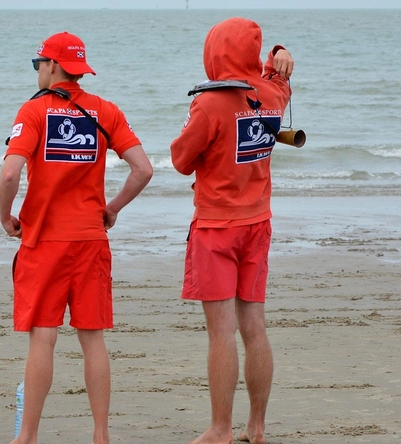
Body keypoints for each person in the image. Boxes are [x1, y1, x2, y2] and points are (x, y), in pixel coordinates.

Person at [0, 31, 153, 444]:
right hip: (90, 239)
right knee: (92, 338)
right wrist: (112, 208)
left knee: (43, 336)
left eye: (39, 64)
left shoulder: (34, 110)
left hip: (43, 241)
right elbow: (143, 169)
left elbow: (10, 173)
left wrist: (5, 217)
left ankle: (27, 436)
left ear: (52, 66)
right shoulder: (106, 110)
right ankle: (101, 434)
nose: (37, 71)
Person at [170, 18, 294, 444]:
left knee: (221, 331)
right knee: (254, 326)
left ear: (214, 52)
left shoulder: (208, 104)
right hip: (258, 223)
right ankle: (256, 426)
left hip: (216, 227)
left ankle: (221, 428)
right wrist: (277, 54)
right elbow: (278, 74)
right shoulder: (273, 93)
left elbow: (181, 160)